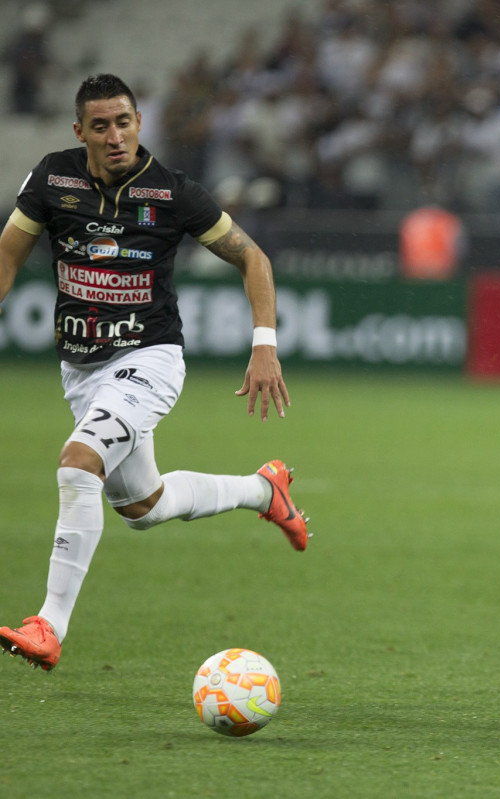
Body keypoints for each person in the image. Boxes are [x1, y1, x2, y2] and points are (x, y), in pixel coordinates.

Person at [0, 74, 309, 672]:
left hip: (150, 359)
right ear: (79, 132)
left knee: (78, 461)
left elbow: (253, 257)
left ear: (139, 123)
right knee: (143, 506)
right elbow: (8, 255)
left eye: (124, 122)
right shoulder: (52, 178)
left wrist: (264, 344)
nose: (114, 136)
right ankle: (263, 489)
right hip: (82, 369)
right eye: (100, 126)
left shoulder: (173, 193)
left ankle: (48, 625)